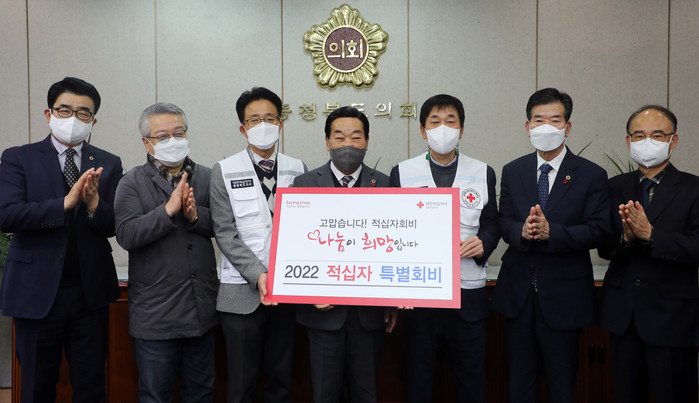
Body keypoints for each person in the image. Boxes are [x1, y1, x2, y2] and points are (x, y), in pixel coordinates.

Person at [0, 77, 122, 402]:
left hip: (89, 294)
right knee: (37, 388)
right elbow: (6, 215)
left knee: (91, 387)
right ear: (48, 114)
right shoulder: (18, 158)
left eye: (83, 113)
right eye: (64, 110)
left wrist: (94, 205)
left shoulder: (108, 163)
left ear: (93, 121)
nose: (73, 119)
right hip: (35, 294)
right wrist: (63, 204)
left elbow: (114, 225)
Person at [492, 88, 610, 402]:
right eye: (538, 120)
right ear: (527, 126)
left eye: (554, 120)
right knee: (520, 385)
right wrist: (521, 231)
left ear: (567, 127)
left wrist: (552, 233)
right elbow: (503, 220)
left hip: (564, 297)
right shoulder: (513, 170)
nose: (546, 127)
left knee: (562, 386)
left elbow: (599, 230)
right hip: (518, 297)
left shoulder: (591, 174)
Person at [389, 94, 499, 403]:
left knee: (471, 380)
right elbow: (392, 229)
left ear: (461, 129)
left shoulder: (482, 172)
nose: (442, 129)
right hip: (420, 297)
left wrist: (484, 242)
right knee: (419, 380)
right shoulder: (403, 172)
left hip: (468, 294)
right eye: (434, 122)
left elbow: (492, 223)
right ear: (422, 130)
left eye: (450, 122)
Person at [114, 103, 218, 402]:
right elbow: (126, 234)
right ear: (147, 143)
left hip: (201, 311)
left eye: (179, 133)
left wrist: (195, 216)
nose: (173, 141)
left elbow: (225, 226)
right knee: (155, 395)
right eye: (162, 136)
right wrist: (168, 210)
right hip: (156, 316)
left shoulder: (208, 176)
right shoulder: (132, 182)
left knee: (201, 393)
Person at [292, 106, 397, 403]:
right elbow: (296, 246)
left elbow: (393, 246)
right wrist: (308, 293)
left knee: (366, 393)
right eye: (339, 137)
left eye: (356, 137)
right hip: (322, 313)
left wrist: (392, 300)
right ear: (327, 141)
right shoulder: (304, 184)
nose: (347, 144)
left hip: (369, 313)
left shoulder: (385, 184)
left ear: (367, 141)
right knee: (325, 394)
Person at [209, 87, 306, 403]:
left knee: (282, 382)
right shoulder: (224, 170)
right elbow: (225, 233)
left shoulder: (298, 168)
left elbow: (304, 230)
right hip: (241, 296)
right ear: (243, 128)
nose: (262, 125)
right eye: (254, 120)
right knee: (240, 386)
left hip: (286, 293)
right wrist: (260, 275)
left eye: (269, 118)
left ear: (280, 124)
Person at [597, 105, 698, 403]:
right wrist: (626, 239)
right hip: (623, 317)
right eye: (639, 136)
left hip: (673, 318)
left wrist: (652, 236)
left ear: (673, 140)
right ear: (629, 142)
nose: (647, 142)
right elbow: (603, 245)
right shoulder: (613, 187)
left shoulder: (693, 188)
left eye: (657, 135)